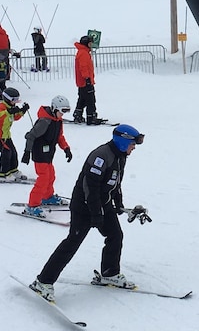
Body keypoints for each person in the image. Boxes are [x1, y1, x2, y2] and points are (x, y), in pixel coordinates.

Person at [29, 124, 145, 302]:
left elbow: (115, 182)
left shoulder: (120, 156)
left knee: (115, 236)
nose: (134, 148)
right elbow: (90, 186)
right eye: (133, 144)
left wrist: (118, 202)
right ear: (123, 141)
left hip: (102, 204)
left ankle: (109, 273)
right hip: (84, 206)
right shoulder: (101, 155)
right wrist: (96, 213)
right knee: (72, 243)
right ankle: (43, 281)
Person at [21, 94, 74, 217]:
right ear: (54, 109)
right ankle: (32, 205)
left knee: (51, 176)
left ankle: (47, 196)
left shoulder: (58, 121)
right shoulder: (44, 122)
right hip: (40, 154)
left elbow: (59, 137)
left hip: (49, 154)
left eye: (65, 111)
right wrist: (27, 152)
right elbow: (30, 136)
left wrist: (66, 149)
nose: (63, 115)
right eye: (62, 111)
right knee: (43, 179)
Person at [0, 87, 30, 180]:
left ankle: (13, 170)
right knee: (6, 153)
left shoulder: (11, 107)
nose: (15, 102)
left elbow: (15, 117)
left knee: (13, 152)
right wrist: (8, 111)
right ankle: (2, 174)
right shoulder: (1, 107)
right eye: (14, 100)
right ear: (7, 99)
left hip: (6, 135)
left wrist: (23, 110)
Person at [72, 34, 101, 124]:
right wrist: (87, 78)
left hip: (82, 82)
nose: (91, 45)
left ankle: (78, 114)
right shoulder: (83, 53)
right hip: (85, 81)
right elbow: (83, 67)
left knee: (82, 99)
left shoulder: (83, 52)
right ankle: (91, 117)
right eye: (90, 43)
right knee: (90, 99)